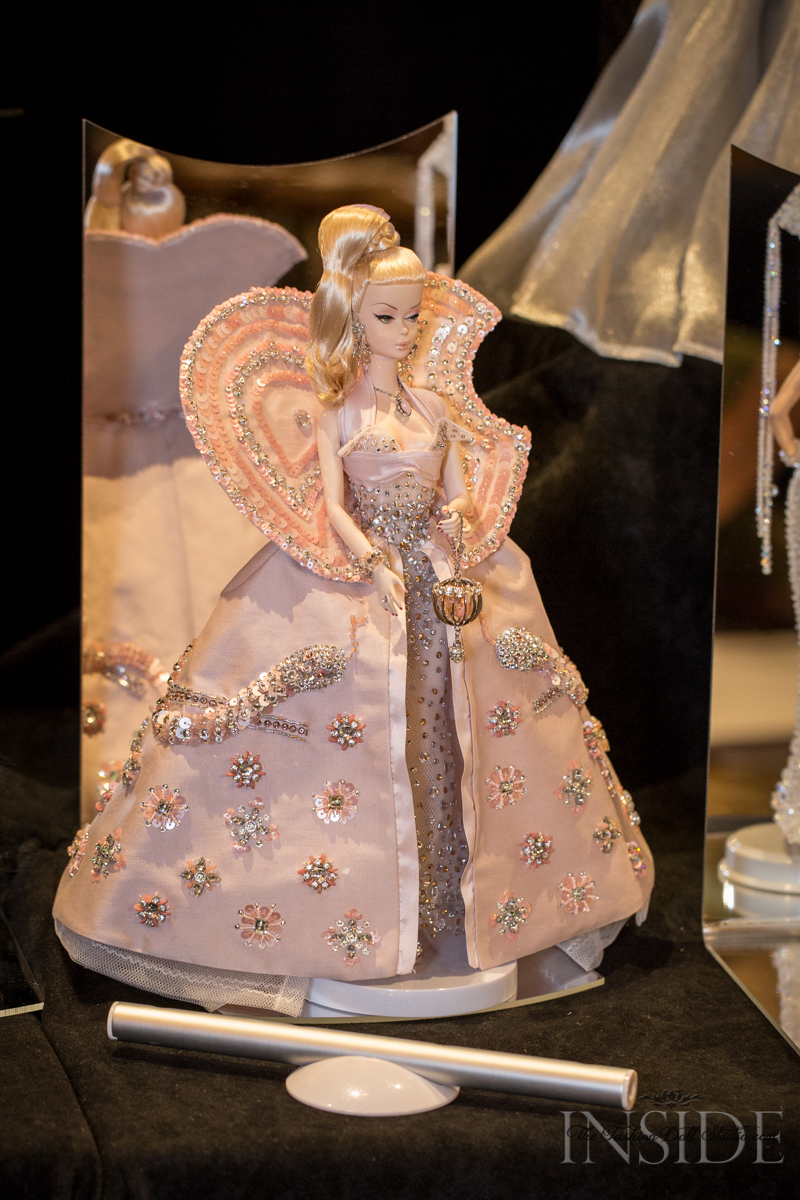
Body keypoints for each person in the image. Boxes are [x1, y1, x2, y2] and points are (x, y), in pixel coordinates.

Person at [54, 205, 653, 1016]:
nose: (404, 332)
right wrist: (367, 556)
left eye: (412, 317)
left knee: (451, 727)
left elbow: (456, 494)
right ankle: (356, 914)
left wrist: (461, 526)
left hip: (440, 577)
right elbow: (334, 504)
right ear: (353, 321)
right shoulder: (339, 410)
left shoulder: (433, 408)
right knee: (366, 724)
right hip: (360, 574)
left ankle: (452, 900)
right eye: (387, 317)